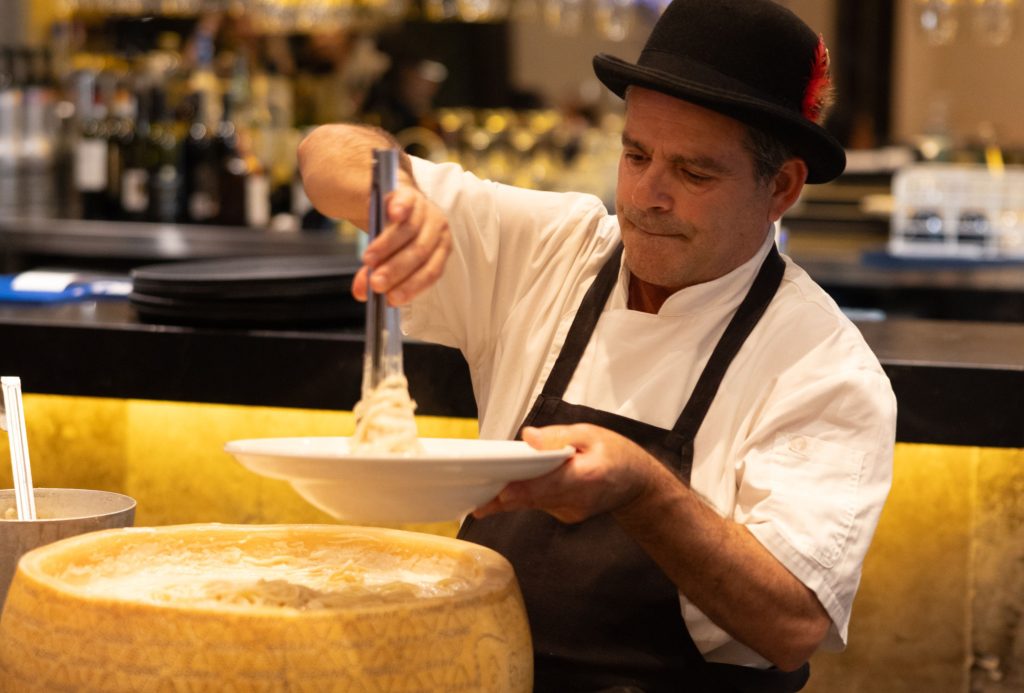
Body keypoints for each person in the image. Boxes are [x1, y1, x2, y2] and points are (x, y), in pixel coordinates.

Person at [297, 0, 896, 690]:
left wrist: (642, 490)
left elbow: (792, 623)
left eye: (694, 173)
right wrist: (394, 195)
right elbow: (324, 150)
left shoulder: (823, 365)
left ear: (781, 187)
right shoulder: (553, 250)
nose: (647, 195)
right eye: (635, 153)